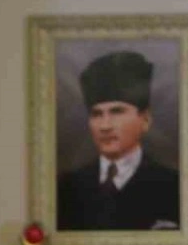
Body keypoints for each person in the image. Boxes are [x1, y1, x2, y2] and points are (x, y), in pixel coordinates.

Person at [56, 50, 179, 231]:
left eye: (117, 112)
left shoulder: (174, 187)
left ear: (145, 120)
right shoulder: (67, 188)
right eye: (97, 114)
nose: (105, 126)